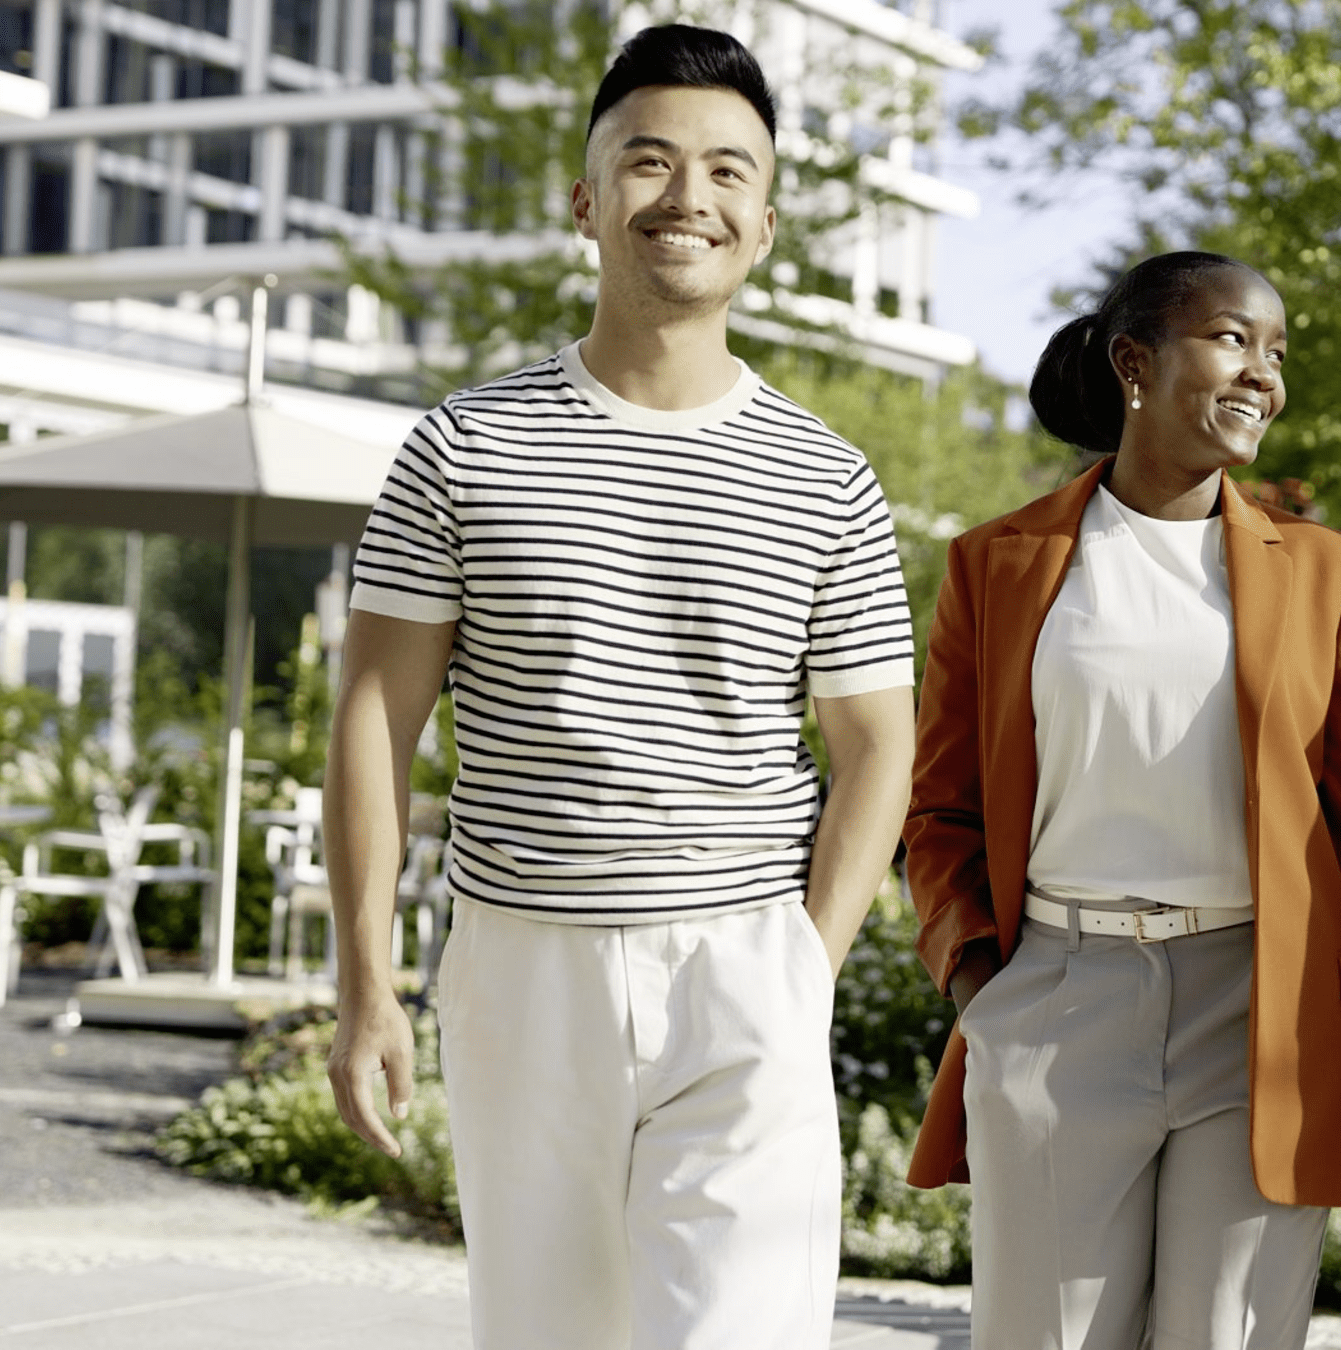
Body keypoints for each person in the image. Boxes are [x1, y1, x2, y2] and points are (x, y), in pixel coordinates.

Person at [317, 25, 916, 1350]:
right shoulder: (463, 445)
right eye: (647, 162)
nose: (684, 197)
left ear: (766, 221)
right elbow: (374, 719)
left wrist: (806, 964)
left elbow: (879, 742)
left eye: (723, 171)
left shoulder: (829, 478)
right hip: (522, 966)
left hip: (744, 963)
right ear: (585, 201)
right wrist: (366, 982)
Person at [904, 251, 1341, 1350]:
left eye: (1277, 353)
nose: (1264, 375)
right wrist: (979, 985)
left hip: (1267, 1014)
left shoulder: (1325, 573)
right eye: (1234, 339)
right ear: (1135, 362)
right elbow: (940, 811)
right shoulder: (996, 567)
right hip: (1056, 994)